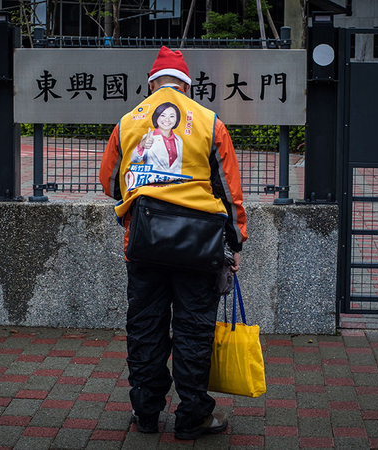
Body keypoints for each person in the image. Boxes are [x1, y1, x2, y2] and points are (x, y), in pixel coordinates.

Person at [99, 46, 247, 441]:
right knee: (193, 329)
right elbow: (230, 192)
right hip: (199, 245)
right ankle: (192, 416)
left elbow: (110, 181)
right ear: (187, 86)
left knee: (145, 326)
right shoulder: (210, 122)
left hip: (144, 241)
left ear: (151, 85)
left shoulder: (128, 122)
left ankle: (146, 413)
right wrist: (235, 243)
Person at [131, 102, 183, 174]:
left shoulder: (178, 140)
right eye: (163, 115)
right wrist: (141, 145)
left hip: (175, 180)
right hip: (152, 180)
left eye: (172, 116)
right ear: (156, 117)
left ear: (177, 119)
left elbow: (178, 166)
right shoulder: (148, 137)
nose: (167, 119)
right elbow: (134, 159)